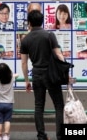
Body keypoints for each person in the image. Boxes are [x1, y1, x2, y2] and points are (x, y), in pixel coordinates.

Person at [20, 10, 66, 140]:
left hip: (37, 74)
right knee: (59, 106)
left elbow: (24, 63)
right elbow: (58, 55)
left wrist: (27, 81)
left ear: (29, 23)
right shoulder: (49, 35)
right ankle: (60, 135)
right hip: (51, 74)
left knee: (39, 106)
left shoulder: (25, 39)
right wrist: (65, 71)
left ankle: (41, 135)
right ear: (42, 21)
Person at [0, 63, 18, 140]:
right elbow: (17, 75)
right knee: (7, 120)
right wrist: (12, 74)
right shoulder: (11, 79)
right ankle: (6, 135)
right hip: (9, 103)